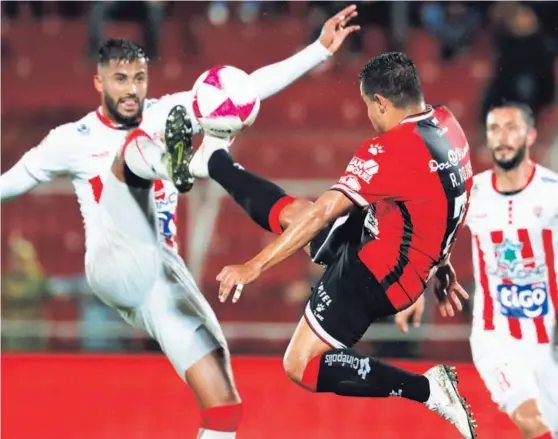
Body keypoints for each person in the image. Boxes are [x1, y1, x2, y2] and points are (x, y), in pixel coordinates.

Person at [0, 7, 359, 437]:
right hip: (113, 258)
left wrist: (318, 50)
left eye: (138, 78)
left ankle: (192, 160)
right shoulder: (70, 140)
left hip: (160, 273)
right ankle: (183, 163)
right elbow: (9, 183)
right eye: (120, 80)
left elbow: (243, 90)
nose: (131, 90)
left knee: (224, 404)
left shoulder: (166, 110)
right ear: (99, 82)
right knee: (131, 153)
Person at [182, 52, 477, 438]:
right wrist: (441, 260)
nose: (369, 117)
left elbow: (323, 214)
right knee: (294, 215)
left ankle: (428, 390)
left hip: (378, 272)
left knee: (300, 364)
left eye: (367, 106)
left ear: (381, 103)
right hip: (385, 234)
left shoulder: (390, 150)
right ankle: (215, 160)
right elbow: (450, 196)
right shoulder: (447, 123)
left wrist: (253, 266)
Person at [397, 102, 558, 439]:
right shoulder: (474, 193)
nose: (502, 137)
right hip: (497, 337)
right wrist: (418, 286)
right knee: (532, 420)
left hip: (550, 338)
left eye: (511, 128)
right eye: (494, 129)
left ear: (530, 135)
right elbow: (434, 235)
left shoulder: (552, 192)